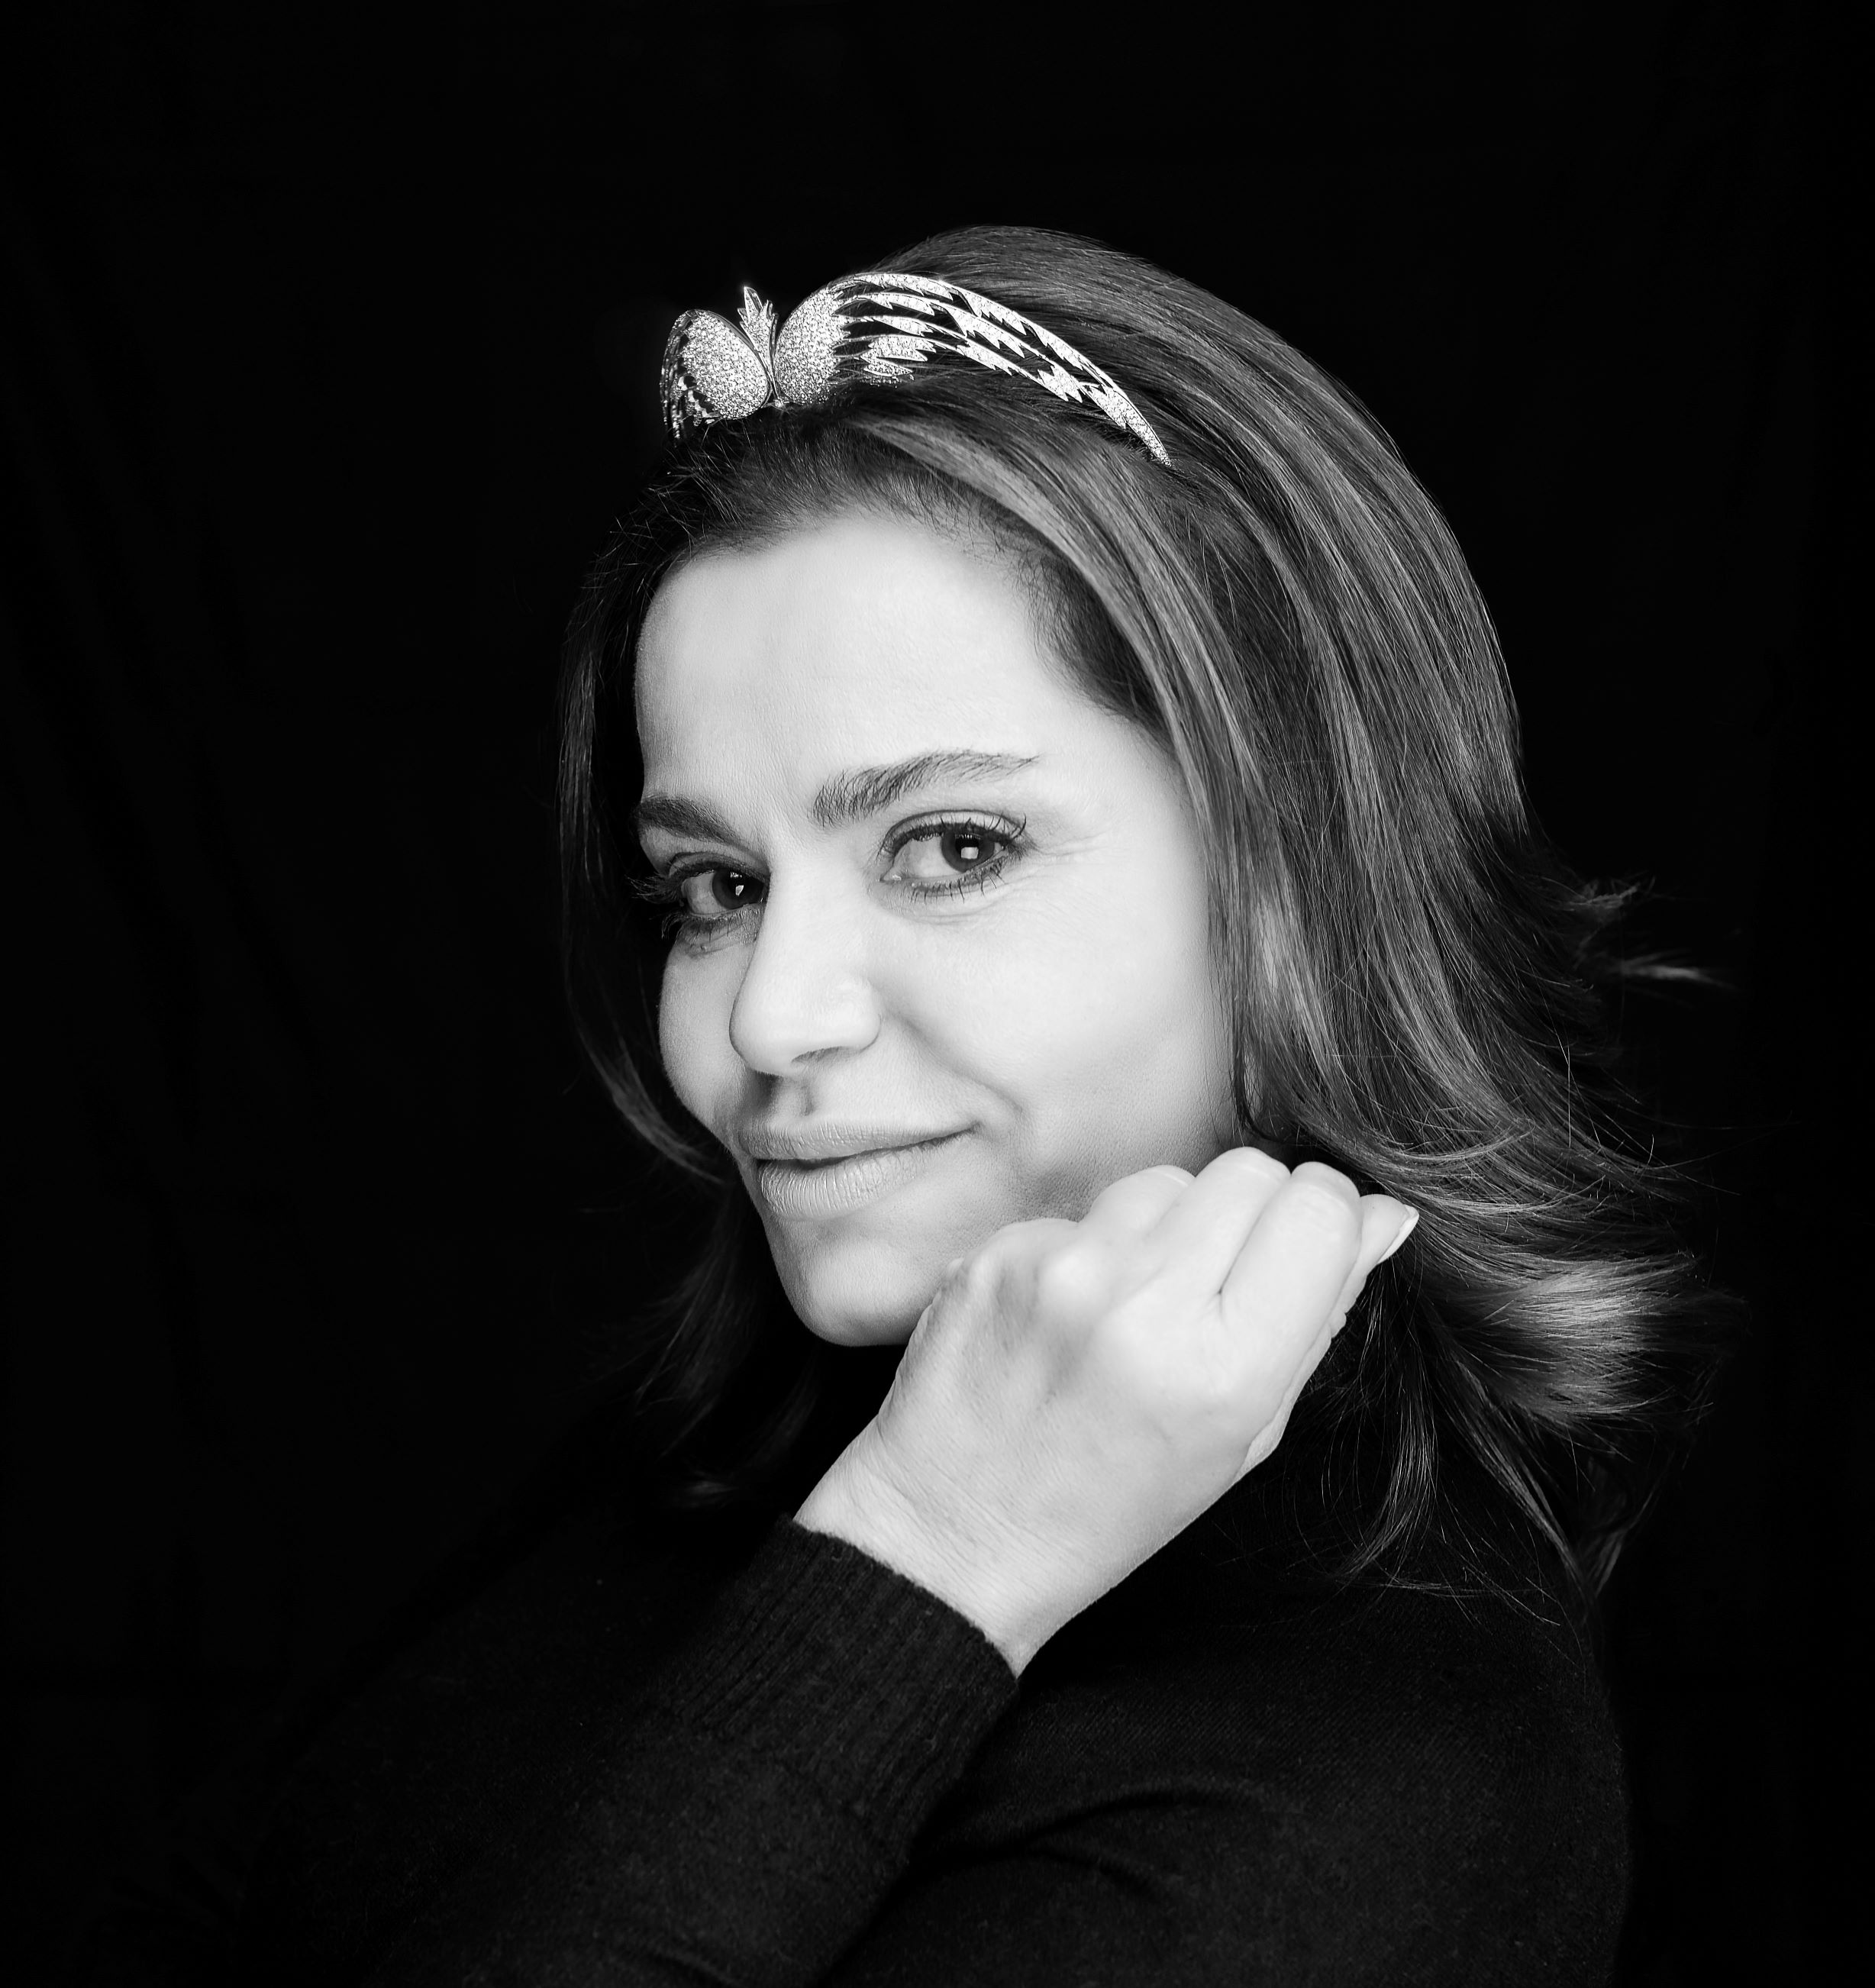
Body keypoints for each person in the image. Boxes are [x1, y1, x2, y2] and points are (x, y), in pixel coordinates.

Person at [75, 225, 1728, 1986]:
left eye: (951, 849)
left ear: (1304, 873)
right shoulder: (717, 1449)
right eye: (713, 887)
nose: (769, 1017)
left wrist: (928, 1565)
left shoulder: (1392, 1789)